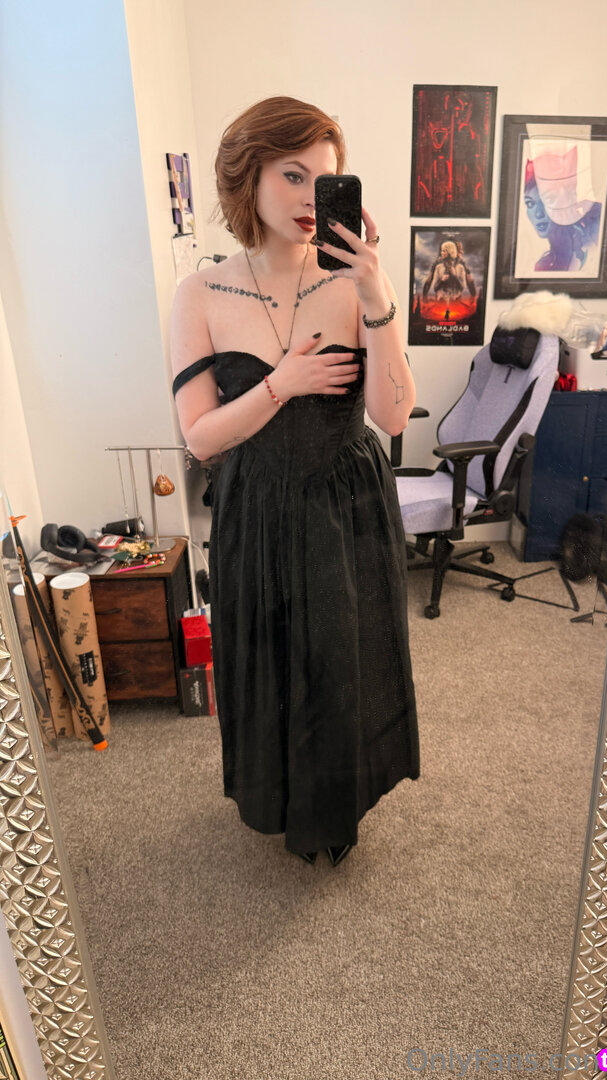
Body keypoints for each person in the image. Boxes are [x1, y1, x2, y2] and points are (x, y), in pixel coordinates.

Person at [169, 97, 420, 867]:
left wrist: (376, 298)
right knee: (266, 653)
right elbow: (200, 436)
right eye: (293, 174)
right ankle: (283, 804)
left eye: (327, 179)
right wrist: (282, 384)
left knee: (342, 658)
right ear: (248, 176)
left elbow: (394, 415)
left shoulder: (356, 284)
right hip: (255, 504)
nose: (313, 197)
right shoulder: (200, 294)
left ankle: (335, 813)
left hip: (346, 499)